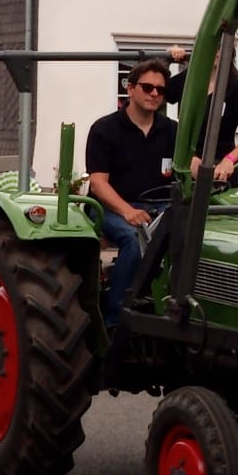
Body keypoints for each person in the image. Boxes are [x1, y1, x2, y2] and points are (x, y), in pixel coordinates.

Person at [85, 58, 177, 326]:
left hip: (157, 207)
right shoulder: (105, 129)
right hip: (111, 208)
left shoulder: (171, 130)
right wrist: (128, 211)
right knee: (136, 241)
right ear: (130, 88)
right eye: (148, 87)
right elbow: (99, 184)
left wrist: (222, 166)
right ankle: (116, 318)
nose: (154, 94)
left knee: (192, 240)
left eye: (160, 90)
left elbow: (189, 164)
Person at [166, 47, 238, 186]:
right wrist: (168, 60)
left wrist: (229, 160)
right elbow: (156, 92)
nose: (216, 51)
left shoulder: (236, 86)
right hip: (184, 168)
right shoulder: (187, 80)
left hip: (220, 171)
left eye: (221, 47)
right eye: (214, 46)